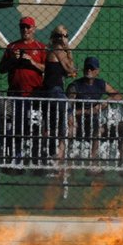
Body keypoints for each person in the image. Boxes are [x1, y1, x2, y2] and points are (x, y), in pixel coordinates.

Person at [0, 16, 47, 166]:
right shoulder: (12, 47)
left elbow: (47, 68)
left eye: (28, 27)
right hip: (16, 93)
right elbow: (1, 69)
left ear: (34, 29)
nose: (25, 30)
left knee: (36, 126)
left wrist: (31, 62)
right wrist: (13, 59)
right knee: (17, 125)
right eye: (22, 27)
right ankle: (16, 153)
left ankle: (37, 154)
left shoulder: (40, 47)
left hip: (35, 94)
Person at [66, 56, 123, 173]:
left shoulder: (100, 84)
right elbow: (68, 110)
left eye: (92, 69)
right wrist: (87, 111)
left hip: (96, 123)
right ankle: (91, 164)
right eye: (87, 68)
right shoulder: (75, 86)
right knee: (95, 131)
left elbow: (118, 95)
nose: (89, 71)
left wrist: (105, 102)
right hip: (79, 125)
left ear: (97, 71)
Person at [42, 24, 77, 166]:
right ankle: (57, 153)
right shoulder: (57, 50)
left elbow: (70, 71)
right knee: (66, 121)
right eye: (59, 36)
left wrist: (70, 68)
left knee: (55, 123)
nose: (62, 39)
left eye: (65, 36)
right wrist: (68, 48)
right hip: (54, 91)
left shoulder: (58, 51)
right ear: (54, 38)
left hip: (55, 90)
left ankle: (56, 153)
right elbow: (70, 68)